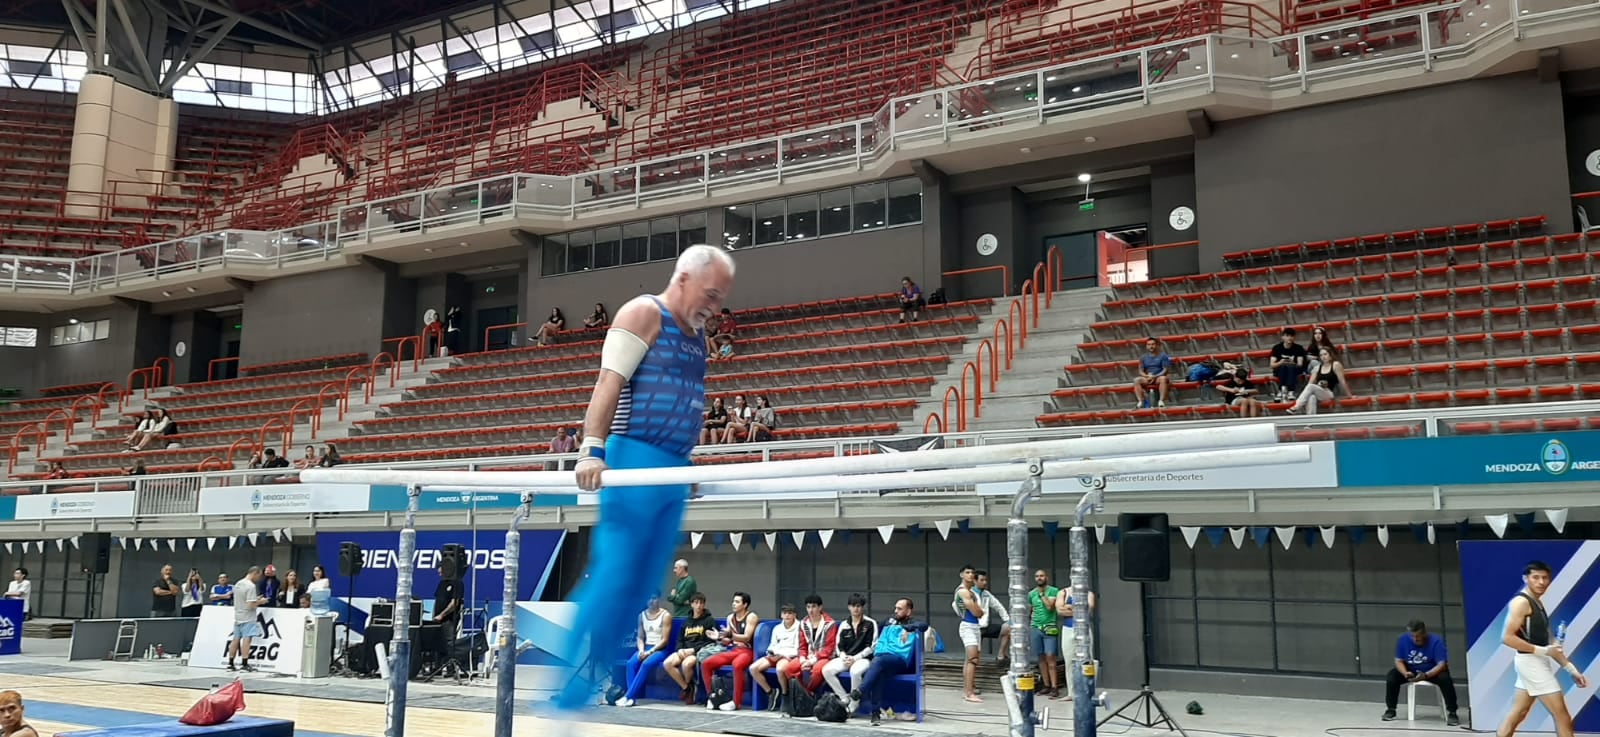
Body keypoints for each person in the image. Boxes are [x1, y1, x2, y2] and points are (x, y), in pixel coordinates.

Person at [555, 244, 736, 715]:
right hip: (633, 457)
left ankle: (594, 679)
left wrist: (686, 462)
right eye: (710, 294)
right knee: (617, 572)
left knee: (641, 587)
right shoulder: (642, 313)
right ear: (682, 278)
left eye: (720, 299)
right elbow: (607, 382)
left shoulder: (697, 336)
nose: (714, 307)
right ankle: (566, 676)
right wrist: (592, 450)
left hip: (672, 467)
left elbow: (685, 399)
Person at [1497, 560, 1589, 737]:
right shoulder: (1521, 602)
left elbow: (1551, 644)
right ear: (1526, 579)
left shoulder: (1537, 603)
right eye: (1536, 577)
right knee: (1562, 716)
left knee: (1518, 713)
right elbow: (1507, 638)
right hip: (1531, 664)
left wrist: (1572, 670)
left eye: (1545, 578)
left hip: (1534, 662)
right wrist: (1543, 651)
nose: (1541, 582)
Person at [1383, 619, 1458, 725]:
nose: (1415, 639)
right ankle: (1391, 709)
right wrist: (1405, 673)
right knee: (1392, 677)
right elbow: (1398, 661)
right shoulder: (1402, 640)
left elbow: (1442, 664)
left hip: (1432, 671)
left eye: (1417, 636)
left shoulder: (1436, 641)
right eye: (1412, 636)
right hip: (1411, 669)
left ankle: (1452, 712)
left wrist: (1427, 675)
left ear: (1424, 633)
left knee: (1445, 679)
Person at [617, 595, 673, 707]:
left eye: (654, 598)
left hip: (659, 649)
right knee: (630, 663)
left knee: (646, 664)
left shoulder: (666, 616)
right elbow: (640, 637)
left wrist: (650, 652)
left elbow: (665, 640)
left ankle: (628, 696)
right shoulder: (641, 615)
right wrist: (641, 650)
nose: (651, 601)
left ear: (659, 599)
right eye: (649, 599)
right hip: (645, 647)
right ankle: (631, 698)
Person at [1028, 570, 1062, 698]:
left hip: (1050, 627)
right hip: (1035, 627)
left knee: (1050, 657)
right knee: (1040, 658)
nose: (1039, 578)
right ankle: (1046, 685)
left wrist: (1042, 595)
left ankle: (1054, 687)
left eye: (1041, 576)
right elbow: (1030, 610)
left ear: (1046, 577)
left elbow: (1050, 607)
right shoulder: (1031, 594)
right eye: (1037, 576)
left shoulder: (1053, 591)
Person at [227, 566, 267, 672]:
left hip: (238, 615)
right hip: (248, 617)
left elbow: (243, 600)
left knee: (235, 639)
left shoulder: (238, 584)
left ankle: (230, 663)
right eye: (259, 576)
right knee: (247, 640)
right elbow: (250, 605)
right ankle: (244, 663)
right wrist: (260, 602)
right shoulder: (251, 586)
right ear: (255, 573)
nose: (259, 578)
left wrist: (255, 600)